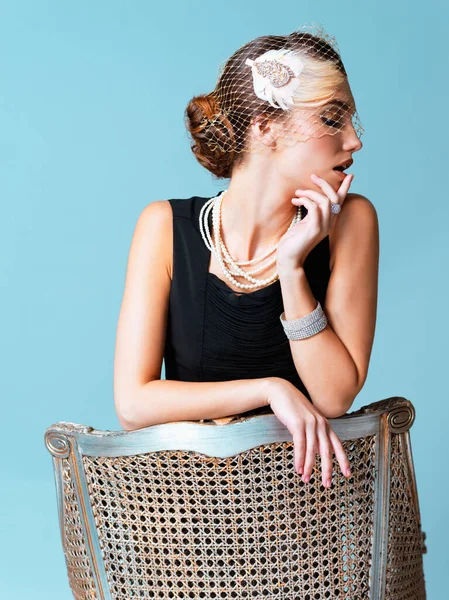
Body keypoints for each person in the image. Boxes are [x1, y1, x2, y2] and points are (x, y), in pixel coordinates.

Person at [113, 24, 379, 491]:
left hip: (306, 524)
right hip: (185, 519)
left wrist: (292, 269)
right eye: (333, 119)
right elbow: (134, 404)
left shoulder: (350, 222)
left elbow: (335, 396)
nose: (354, 141)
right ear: (266, 128)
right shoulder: (163, 228)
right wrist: (270, 390)